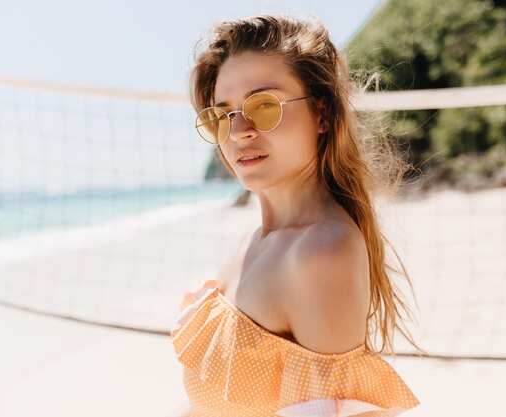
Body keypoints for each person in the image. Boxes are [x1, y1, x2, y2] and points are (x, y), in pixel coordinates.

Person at [169, 13, 424, 417]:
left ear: (322, 113)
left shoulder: (321, 252)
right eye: (221, 116)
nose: (239, 132)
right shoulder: (253, 243)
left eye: (264, 105)